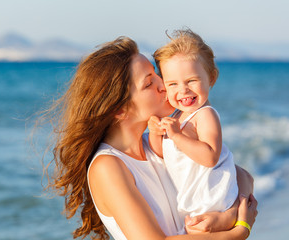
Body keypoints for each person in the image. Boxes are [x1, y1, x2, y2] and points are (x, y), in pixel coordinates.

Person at [38, 36, 257, 240]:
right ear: (119, 109)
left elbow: (241, 176)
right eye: (149, 83)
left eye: (156, 74)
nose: (165, 85)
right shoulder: (108, 166)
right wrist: (237, 232)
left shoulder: (163, 144)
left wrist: (228, 217)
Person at [149, 29, 239, 232]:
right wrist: (156, 131)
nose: (183, 90)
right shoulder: (175, 117)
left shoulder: (205, 115)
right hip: (191, 201)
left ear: (211, 78)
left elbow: (210, 157)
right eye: (172, 84)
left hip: (211, 197)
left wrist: (178, 136)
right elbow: (162, 154)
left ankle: (226, 218)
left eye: (191, 81)